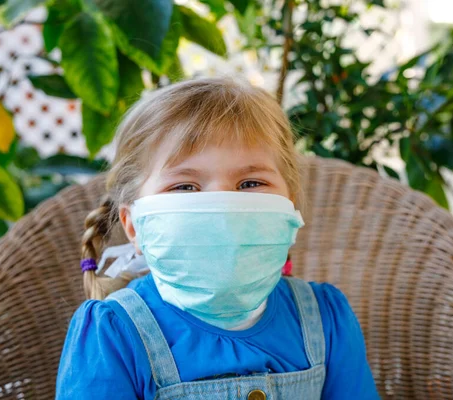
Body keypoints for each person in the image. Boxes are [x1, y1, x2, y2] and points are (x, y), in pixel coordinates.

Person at [56, 78, 379, 399]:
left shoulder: (326, 320)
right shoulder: (113, 334)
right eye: (185, 187)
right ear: (135, 226)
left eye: (250, 183)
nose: (224, 208)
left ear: (289, 206)